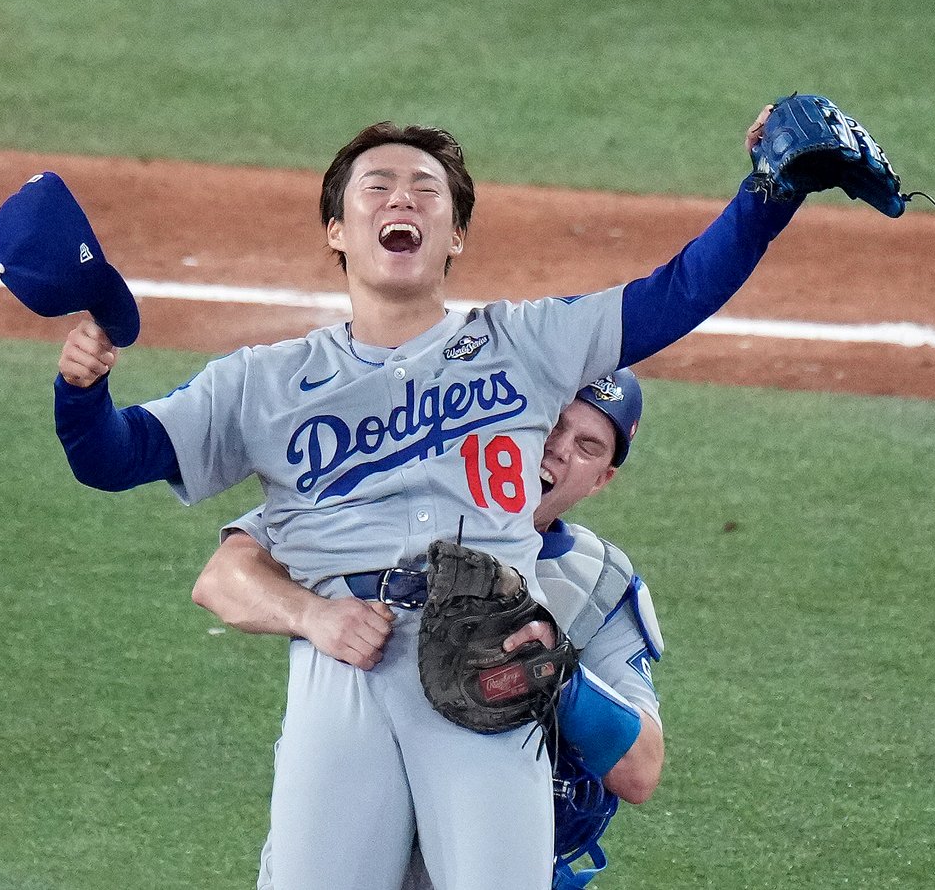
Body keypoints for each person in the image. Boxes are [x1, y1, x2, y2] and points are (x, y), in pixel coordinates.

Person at [52, 109, 800, 890]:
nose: (400, 200)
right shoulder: (260, 383)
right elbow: (114, 457)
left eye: (426, 190)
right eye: (376, 187)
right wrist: (82, 390)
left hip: (492, 665)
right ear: (337, 230)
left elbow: (678, 292)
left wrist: (768, 194)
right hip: (343, 668)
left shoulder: (526, 343)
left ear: (456, 237)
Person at [195, 369, 663, 890]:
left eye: (588, 445)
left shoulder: (598, 580)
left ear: (601, 479)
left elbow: (640, 769)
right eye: (551, 423)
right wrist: (312, 614)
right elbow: (223, 578)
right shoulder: (389, 493)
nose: (557, 449)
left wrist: (556, 678)